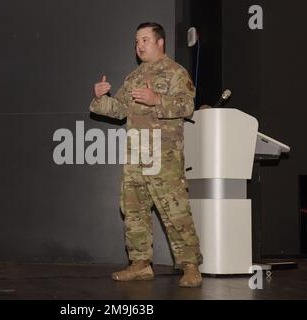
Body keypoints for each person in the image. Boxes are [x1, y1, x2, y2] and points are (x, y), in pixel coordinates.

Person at [89, 22, 203, 287]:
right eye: (136, 41)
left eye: (144, 40)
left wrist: (156, 100)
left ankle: (190, 266)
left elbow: (188, 106)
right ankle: (140, 264)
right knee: (133, 209)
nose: (139, 45)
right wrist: (100, 98)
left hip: (164, 155)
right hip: (136, 153)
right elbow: (118, 110)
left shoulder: (176, 72)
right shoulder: (133, 77)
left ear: (159, 42)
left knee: (175, 210)